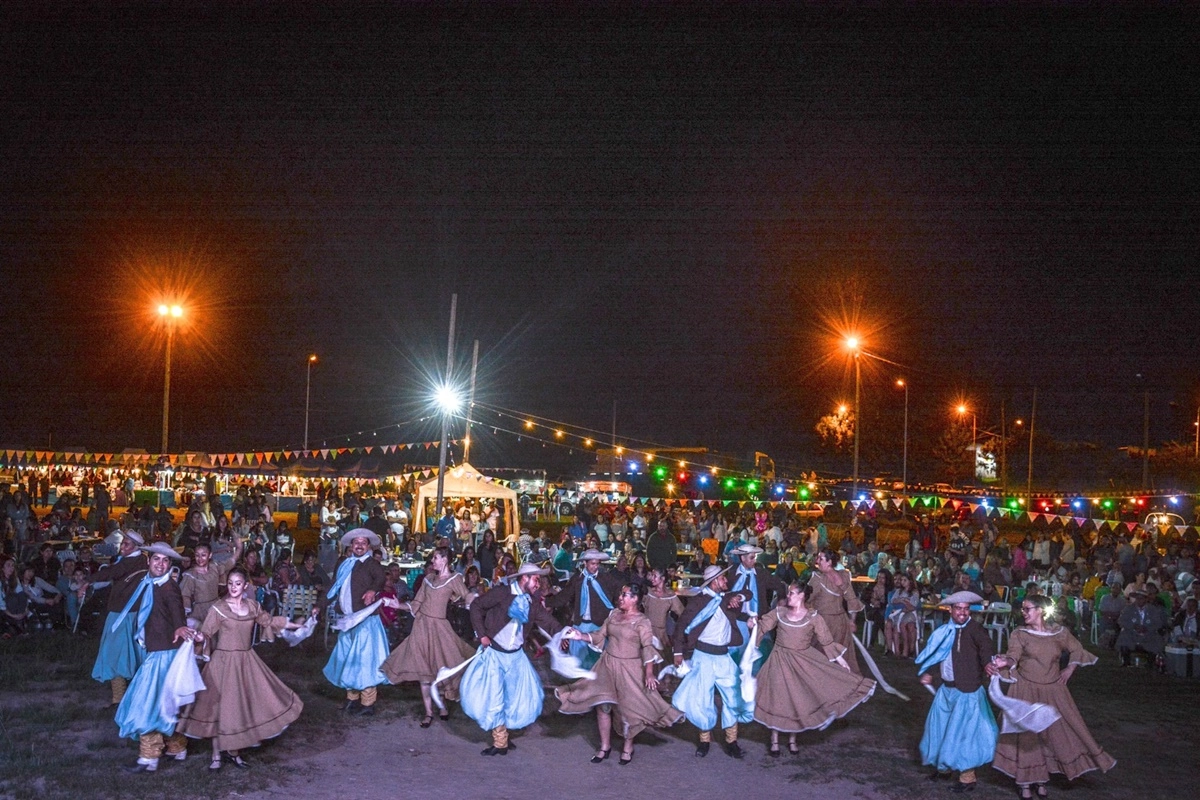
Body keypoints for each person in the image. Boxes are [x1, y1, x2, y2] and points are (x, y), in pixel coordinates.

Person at [177, 567, 308, 770]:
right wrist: (198, 637)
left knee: (239, 707)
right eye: (230, 583)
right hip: (222, 662)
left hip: (246, 662)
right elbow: (206, 633)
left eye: (238, 583)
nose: (233, 587)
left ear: (245, 586)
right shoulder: (218, 608)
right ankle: (216, 755)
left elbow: (270, 621)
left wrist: (296, 626)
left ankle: (234, 752)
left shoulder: (253, 606)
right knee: (220, 708)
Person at [989, 594, 1115, 797]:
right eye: (1022, 609)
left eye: (1027, 608)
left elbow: (1077, 650)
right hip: (1026, 689)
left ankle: (1040, 778)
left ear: (1040, 610)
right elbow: (1013, 656)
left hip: (1052, 690)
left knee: (1055, 732)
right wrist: (1006, 662)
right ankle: (1025, 782)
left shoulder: (1059, 633)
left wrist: (1069, 669)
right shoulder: (1020, 634)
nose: (1023, 612)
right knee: (1028, 735)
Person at [557, 583, 684, 764]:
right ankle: (604, 747)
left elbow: (648, 647)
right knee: (603, 706)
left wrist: (649, 673)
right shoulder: (614, 615)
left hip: (630, 669)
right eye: (621, 594)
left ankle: (627, 747)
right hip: (607, 665)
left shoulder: (642, 621)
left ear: (635, 599)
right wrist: (580, 636)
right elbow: (600, 635)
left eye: (625, 595)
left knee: (628, 709)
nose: (620, 598)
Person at [753, 582, 875, 755]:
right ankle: (774, 741)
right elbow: (763, 626)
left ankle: (792, 740)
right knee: (779, 699)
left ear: (802, 596)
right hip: (779, 661)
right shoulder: (779, 613)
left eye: (792, 593)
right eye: (789, 593)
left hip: (802, 663)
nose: (789, 596)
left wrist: (841, 661)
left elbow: (827, 641)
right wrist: (753, 625)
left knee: (797, 700)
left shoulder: (813, 617)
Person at [112, 542, 198, 773]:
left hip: (164, 654)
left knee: (144, 702)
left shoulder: (168, 587)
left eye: (165, 560)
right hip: (156, 649)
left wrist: (180, 626)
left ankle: (148, 757)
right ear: (149, 561)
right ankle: (177, 748)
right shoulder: (149, 584)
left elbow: (176, 609)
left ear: (170, 565)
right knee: (164, 703)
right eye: (156, 559)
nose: (160, 564)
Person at [462, 562, 563, 755]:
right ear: (524, 578)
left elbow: (547, 621)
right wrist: (481, 634)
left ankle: (504, 737)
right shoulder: (501, 593)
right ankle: (500, 743)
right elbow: (476, 606)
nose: (539, 583)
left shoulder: (532, 602)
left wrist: (564, 632)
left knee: (513, 698)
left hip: (516, 657)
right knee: (495, 697)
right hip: (495, 655)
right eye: (536, 579)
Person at [381, 547, 476, 727]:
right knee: (423, 671)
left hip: (439, 629)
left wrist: (475, 600)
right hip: (421, 627)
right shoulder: (428, 579)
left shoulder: (454, 579)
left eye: (436, 558)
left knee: (440, 668)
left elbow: (466, 594)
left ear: (445, 560)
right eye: (432, 558)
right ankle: (428, 712)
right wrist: (396, 604)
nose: (433, 561)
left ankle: (442, 707)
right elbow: (415, 604)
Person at [915, 590, 998, 794]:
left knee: (964, 734)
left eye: (966, 609)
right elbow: (938, 654)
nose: (962, 612)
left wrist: (988, 663)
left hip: (968, 690)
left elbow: (986, 648)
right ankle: (943, 768)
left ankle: (967, 777)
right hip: (947, 689)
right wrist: (930, 673)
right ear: (950, 610)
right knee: (940, 728)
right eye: (958, 609)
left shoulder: (976, 630)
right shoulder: (944, 631)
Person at [670, 565, 753, 759]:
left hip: (724, 657)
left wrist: (738, 598)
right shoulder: (698, 601)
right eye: (723, 579)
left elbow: (747, 592)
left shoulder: (726, 598)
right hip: (703, 656)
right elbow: (681, 625)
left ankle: (732, 741)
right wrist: (677, 652)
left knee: (733, 698)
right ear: (715, 582)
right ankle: (704, 741)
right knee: (702, 700)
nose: (726, 581)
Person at [323, 528, 389, 716]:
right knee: (348, 660)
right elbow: (334, 585)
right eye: (356, 543)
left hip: (366, 621)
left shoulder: (372, 564)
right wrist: (320, 605)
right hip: (348, 621)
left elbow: (381, 579)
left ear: (368, 546)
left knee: (364, 662)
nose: (359, 546)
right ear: (351, 546)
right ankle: (352, 699)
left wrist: (372, 590)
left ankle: (368, 703)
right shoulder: (343, 563)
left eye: (363, 543)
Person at [89, 531, 148, 706]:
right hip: (134, 614)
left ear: (136, 547)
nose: (122, 547)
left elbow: (111, 572)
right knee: (130, 655)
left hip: (121, 615)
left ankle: (119, 699)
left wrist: (88, 579)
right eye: (122, 543)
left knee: (116, 655)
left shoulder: (129, 563)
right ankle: (132, 695)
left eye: (127, 544)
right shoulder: (142, 560)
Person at [546, 548, 624, 669]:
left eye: (597, 564)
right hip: (580, 624)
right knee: (578, 661)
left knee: (598, 662)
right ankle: (580, 684)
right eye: (593, 563)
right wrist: (547, 602)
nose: (595, 567)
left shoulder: (605, 578)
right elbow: (564, 596)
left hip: (599, 625)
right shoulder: (577, 579)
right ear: (585, 563)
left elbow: (620, 590)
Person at [809, 549, 865, 673]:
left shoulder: (843, 576)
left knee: (838, 655)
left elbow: (851, 598)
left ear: (829, 562)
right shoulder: (817, 578)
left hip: (839, 624)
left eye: (821, 559)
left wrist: (852, 621)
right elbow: (807, 599)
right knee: (822, 654)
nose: (817, 561)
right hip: (823, 622)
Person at [180, 540, 242, 626]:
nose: (200, 558)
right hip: (199, 612)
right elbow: (184, 596)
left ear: (210, 555)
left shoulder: (214, 567)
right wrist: (185, 615)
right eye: (197, 555)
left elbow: (229, 563)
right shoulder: (190, 575)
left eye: (203, 555)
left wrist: (239, 549)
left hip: (215, 608)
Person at [1116, 587, 1169, 668]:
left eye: (1141, 598)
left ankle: (1151, 662)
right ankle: (1126, 661)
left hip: (1148, 634)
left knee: (1157, 639)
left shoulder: (1153, 609)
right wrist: (1133, 626)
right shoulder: (1129, 608)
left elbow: (1158, 623)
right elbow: (1121, 621)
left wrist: (1147, 628)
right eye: (1137, 598)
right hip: (1132, 633)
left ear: (1145, 599)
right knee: (1124, 636)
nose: (1139, 600)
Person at [643, 567, 684, 665]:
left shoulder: (670, 595)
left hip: (661, 633)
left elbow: (682, 612)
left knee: (663, 660)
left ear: (662, 579)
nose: (652, 578)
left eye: (655, 576)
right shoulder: (649, 593)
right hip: (647, 631)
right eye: (651, 575)